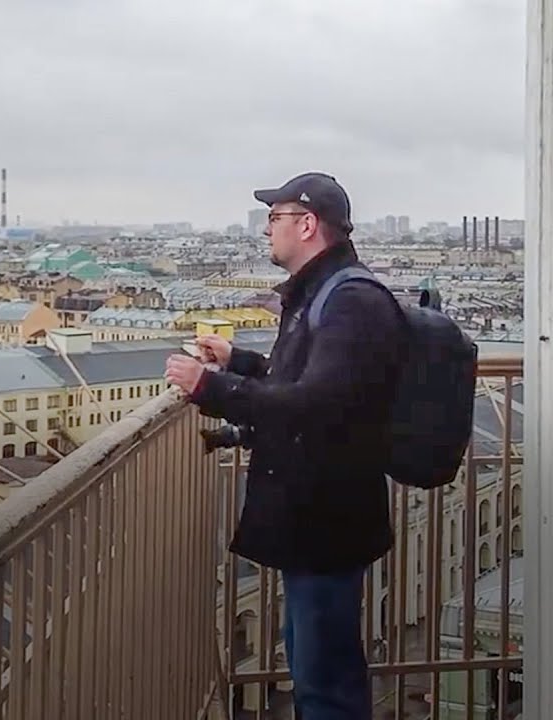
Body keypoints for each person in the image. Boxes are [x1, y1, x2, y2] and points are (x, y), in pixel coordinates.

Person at [164, 172, 407, 720]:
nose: (266, 229)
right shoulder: (326, 292)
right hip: (320, 514)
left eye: (275, 218)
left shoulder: (349, 301)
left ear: (308, 224)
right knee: (313, 661)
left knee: (325, 680)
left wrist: (210, 388)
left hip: (327, 516)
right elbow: (304, 380)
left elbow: (316, 404)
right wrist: (239, 361)